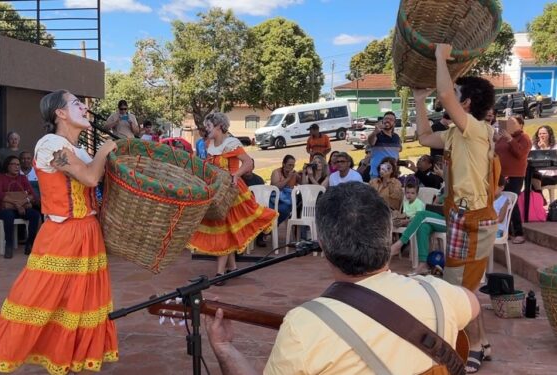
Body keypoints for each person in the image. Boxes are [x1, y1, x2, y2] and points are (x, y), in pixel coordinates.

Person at [206, 182, 480, 375]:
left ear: (322, 245)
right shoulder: (436, 292)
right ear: (387, 236)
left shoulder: (304, 327)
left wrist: (223, 347)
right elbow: (472, 303)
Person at [0, 90, 119, 373]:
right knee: (43, 296)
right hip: (63, 233)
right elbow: (89, 177)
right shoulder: (50, 144)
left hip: (88, 229)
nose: (84, 108)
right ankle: (21, 349)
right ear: (59, 113)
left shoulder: (80, 150)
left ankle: (73, 356)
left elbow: (93, 178)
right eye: (76, 103)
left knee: (81, 298)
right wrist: (104, 150)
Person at [415, 43, 500, 373]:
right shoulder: (455, 134)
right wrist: (420, 100)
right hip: (460, 217)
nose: (448, 97)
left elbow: (446, 95)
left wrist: (440, 58)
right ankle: (484, 342)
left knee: (460, 289)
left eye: (456, 94)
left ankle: (476, 344)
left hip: (475, 220)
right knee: (462, 286)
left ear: (465, 103)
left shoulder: (477, 130)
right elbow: (423, 137)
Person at [187, 112, 277, 284]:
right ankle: (233, 268)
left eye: (209, 127)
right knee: (226, 229)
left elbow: (248, 162)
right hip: (217, 191)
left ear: (219, 126)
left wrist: (236, 175)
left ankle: (221, 273)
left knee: (225, 230)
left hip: (232, 193)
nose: (206, 130)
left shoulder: (231, 144)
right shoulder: (209, 144)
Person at [0, 155, 41, 258]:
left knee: (35, 215)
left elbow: (32, 194)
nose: (17, 167)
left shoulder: (22, 178)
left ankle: (29, 244)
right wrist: (16, 203)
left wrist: (22, 203)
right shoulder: (1, 177)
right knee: (9, 215)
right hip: (4, 208)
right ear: (7, 165)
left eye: (18, 165)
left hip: (21, 207)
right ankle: (9, 245)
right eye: (14, 164)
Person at [494, 115, 530, 244]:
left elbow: (520, 154)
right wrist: (499, 138)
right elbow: (497, 150)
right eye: (508, 122)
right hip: (501, 174)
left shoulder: (524, 138)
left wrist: (510, 139)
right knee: (501, 201)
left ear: (520, 125)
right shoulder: (504, 137)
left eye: (512, 122)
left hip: (515, 175)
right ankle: (506, 231)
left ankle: (519, 232)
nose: (509, 124)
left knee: (511, 202)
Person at [367, 111, 402, 179]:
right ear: (382, 121)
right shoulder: (377, 135)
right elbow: (371, 142)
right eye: (386, 118)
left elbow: (396, 155)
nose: (388, 120)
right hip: (377, 174)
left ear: (394, 124)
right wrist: (375, 132)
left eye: (391, 120)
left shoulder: (396, 137)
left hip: (392, 174)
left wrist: (397, 169)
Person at [270, 155, 299, 225]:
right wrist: (288, 178)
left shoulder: (294, 174)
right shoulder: (276, 172)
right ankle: (271, 228)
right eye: (289, 165)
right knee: (279, 210)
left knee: (286, 209)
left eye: (293, 165)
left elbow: (304, 184)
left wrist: (304, 173)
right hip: (274, 200)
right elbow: (276, 187)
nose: (291, 167)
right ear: (283, 164)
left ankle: (272, 228)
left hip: (287, 201)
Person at [531, 125, 557, 190]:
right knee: (530, 178)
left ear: (549, 135)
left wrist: (544, 148)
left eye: (544, 133)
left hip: (553, 175)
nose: (541, 135)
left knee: (536, 182)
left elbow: (554, 161)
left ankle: (539, 198)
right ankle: (539, 198)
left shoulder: (555, 146)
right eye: (539, 134)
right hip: (539, 173)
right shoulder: (534, 146)